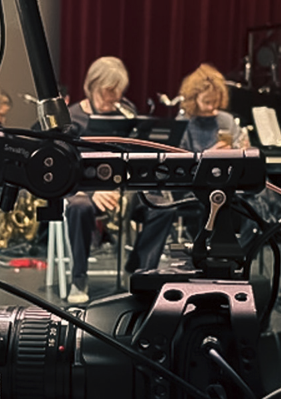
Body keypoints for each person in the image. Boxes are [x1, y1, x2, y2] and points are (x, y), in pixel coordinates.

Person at [127, 63, 248, 272]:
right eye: (207, 102)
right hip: (191, 185)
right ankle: (149, 267)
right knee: (165, 208)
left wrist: (241, 151)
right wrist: (209, 155)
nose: (212, 107)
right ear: (194, 99)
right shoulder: (184, 122)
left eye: (216, 101)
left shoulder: (226, 120)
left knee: (257, 199)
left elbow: (239, 152)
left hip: (224, 182)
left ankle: (235, 259)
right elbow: (179, 163)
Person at [64, 56, 135, 304]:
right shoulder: (72, 118)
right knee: (79, 207)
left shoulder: (127, 112)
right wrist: (93, 193)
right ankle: (79, 278)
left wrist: (121, 189)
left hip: (122, 188)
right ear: (92, 85)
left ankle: (138, 271)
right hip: (84, 190)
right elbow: (65, 168)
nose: (114, 98)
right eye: (108, 91)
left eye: (118, 91)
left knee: (161, 206)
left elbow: (134, 156)